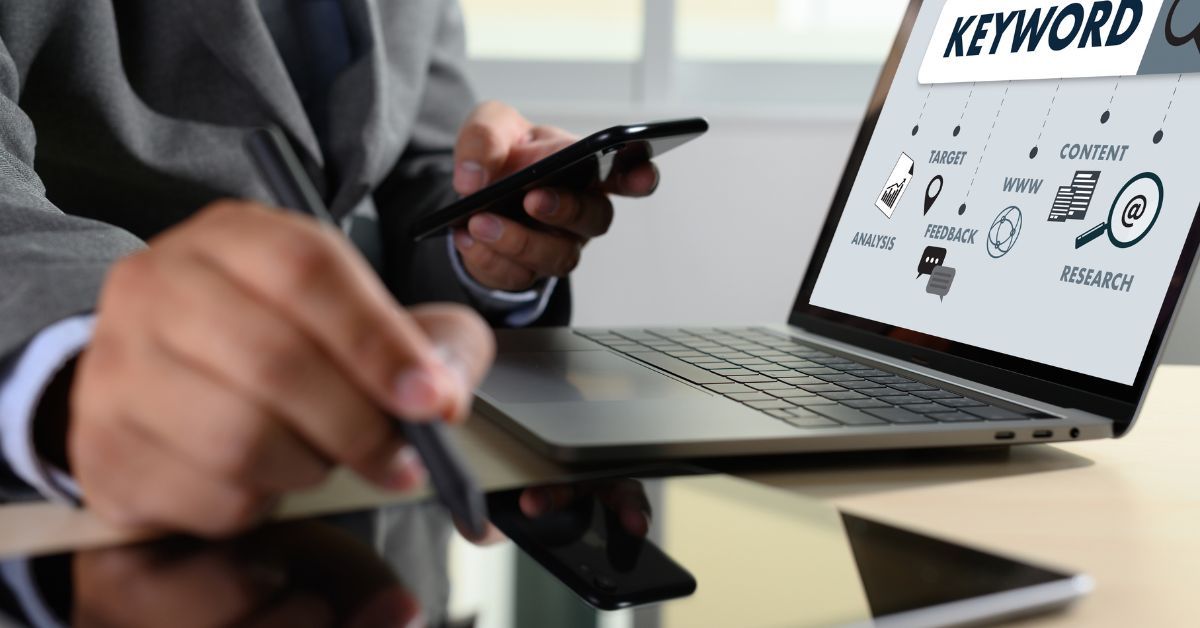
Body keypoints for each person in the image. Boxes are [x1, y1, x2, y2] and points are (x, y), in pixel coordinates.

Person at [0, 1, 659, 535]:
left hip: (382, 521)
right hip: (98, 509)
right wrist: (81, 352)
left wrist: (485, 238)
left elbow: (415, 169)